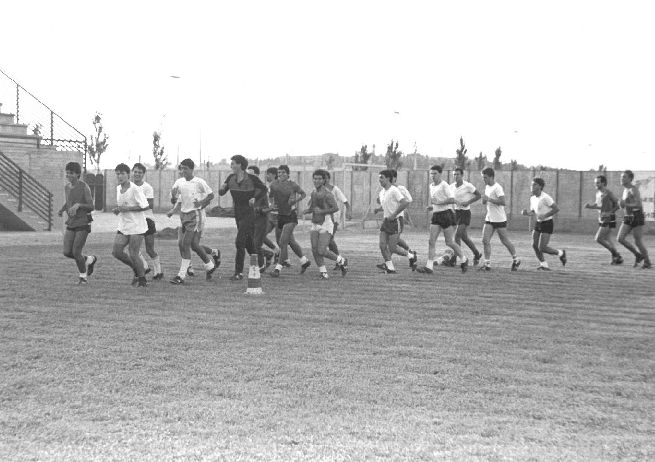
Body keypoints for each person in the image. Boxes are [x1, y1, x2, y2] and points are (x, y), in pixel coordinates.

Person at [166, 158, 217, 284]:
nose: (183, 171)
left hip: (195, 215)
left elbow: (211, 195)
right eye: (181, 168)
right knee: (193, 244)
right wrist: (173, 207)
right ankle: (210, 265)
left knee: (185, 244)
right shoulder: (179, 182)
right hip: (183, 215)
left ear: (192, 169)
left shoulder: (199, 182)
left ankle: (181, 276)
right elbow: (177, 200)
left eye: (185, 168)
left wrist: (201, 202)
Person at [219, 155, 269, 280]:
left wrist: (255, 198)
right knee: (248, 243)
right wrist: (222, 188)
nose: (231, 166)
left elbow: (264, 189)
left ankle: (238, 272)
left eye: (233, 163)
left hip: (248, 213)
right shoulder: (231, 177)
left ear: (240, 165)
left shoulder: (251, 178)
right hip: (238, 213)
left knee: (239, 241)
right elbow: (221, 192)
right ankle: (261, 262)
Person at [415, 165, 468, 274]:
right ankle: (429, 267)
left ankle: (464, 259)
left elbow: (452, 199)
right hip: (436, 215)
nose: (432, 175)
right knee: (431, 241)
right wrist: (432, 207)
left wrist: (439, 203)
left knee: (449, 242)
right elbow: (436, 201)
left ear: (440, 174)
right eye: (431, 173)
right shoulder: (431, 186)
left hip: (446, 215)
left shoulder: (444, 185)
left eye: (435, 173)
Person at [302, 169, 348, 279]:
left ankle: (341, 261)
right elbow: (313, 207)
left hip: (326, 224)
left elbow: (335, 208)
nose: (316, 181)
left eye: (319, 179)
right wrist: (306, 211)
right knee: (314, 249)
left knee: (321, 250)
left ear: (323, 180)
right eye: (315, 178)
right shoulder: (313, 192)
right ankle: (323, 272)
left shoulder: (328, 194)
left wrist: (322, 212)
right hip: (315, 224)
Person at [57, 161, 97, 284]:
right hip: (71, 222)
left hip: (83, 222)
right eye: (67, 173)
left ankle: (83, 277)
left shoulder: (84, 187)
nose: (68, 175)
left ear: (78, 174)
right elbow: (70, 201)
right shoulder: (67, 187)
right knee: (67, 252)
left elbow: (91, 206)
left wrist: (79, 205)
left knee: (76, 251)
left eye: (71, 173)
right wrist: (63, 209)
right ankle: (89, 259)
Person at [268, 164, 311, 277]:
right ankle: (304, 261)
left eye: (283, 172)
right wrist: (272, 204)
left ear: (288, 174)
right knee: (290, 242)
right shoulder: (273, 184)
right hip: (280, 216)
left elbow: (303, 194)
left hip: (290, 216)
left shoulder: (293, 185)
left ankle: (278, 269)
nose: (281, 174)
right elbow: (271, 196)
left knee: (283, 242)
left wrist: (295, 201)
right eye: (279, 173)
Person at [111, 163, 149, 287]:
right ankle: (137, 269)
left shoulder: (135, 189)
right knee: (116, 252)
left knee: (133, 253)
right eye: (117, 174)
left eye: (122, 173)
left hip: (137, 226)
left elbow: (144, 206)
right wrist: (118, 209)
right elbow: (123, 206)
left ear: (128, 175)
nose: (119, 176)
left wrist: (128, 208)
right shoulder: (118, 188)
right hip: (124, 225)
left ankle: (142, 280)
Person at [374, 169, 416, 273]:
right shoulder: (382, 192)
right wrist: (379, 209)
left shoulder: (394, 190)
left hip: (395, 221)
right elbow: (386, 206)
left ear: (388, 178)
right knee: (382, 245)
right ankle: (390, 267)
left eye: (381, 178)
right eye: (379, 178)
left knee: (392, 247)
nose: (380, 180)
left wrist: (394, 214)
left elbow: (405, 202)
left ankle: (410, 255)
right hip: (386, 221)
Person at [479, 167, 521, 271]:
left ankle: (516, 259)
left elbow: (503, 202)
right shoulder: (487, 187)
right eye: (483, 177)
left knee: (504, 240)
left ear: (491, 177)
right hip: (489, 218)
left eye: (485, 177)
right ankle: (487, 264)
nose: (484, 179)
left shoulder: (497, 187)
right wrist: (484, 200)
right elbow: (486, 201)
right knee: (485, 240)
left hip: (499, 219)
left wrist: (489, 199)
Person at [520, 178, 567, 270]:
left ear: (540, 186)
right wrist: (527, 213)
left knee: (542, 248)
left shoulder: (546, 197)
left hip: (547, 223)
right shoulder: (532, 198)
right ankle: (544, 265)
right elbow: (533, 211)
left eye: (534, 185)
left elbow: (556, 209)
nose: (532, 186)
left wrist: (545, 215)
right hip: (538, 223)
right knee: (534, 245)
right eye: (531, 185)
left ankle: (561, 253)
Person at [132, 163, 163, 280]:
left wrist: (134, 206)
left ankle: (158, 272)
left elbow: (150, 205)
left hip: (147, 220)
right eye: (135, 172)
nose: (137, 174)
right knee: (132, 247)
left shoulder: (147, 187)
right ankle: (144, 266)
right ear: (132, 172)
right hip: (134, 221)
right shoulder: (128, 186)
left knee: (149, 249)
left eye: (140, 172)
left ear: (143, 174)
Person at [584, 175, 623, 264]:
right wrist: (590, 206)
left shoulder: (608, 193)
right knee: (608, 239)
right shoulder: (598, 193)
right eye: (595, 182)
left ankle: (617, 254)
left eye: (598, 182)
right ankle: (616, 259)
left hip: (609, 218)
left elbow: (618, 205)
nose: (596, 184)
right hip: (602, 218)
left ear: (603, 183)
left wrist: (610, 212)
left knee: (598, 238)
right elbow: (598, 205)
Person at [617, 170, 651, 269]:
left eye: (624, 177)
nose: (622, 178)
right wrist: (621, 206)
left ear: (630, 179)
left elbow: (639, 204)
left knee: (638, 241)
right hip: (628, 216)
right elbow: (625, 205)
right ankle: (638, 255)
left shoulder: (633, 189)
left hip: (637, 216)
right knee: (620, 238)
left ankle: (647, 262)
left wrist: (625, 204)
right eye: (621, 176)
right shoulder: (625, 190)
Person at [246, 165, 276, 271]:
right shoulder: (248, 187)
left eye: (251, 174)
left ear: (257, 175)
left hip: (261, 219)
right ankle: (268, 254)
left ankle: (261, 265)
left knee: (256, 243)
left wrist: (258, 210)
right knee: (248, 243)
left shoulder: (262, 189)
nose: (248, 176)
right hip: (250, 219)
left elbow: (269, 207)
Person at [451, 167, 483, 265]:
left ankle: (457, 258)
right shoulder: (451, 186)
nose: (456, 176)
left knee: (457, 235)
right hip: (456, 212)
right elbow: (448, 198)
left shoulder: (467, 186)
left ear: (462, 175)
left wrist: (468, 202)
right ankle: (477, 254)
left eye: (458, 174)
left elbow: (478, 195)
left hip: (465, 213)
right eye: (454, 174)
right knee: (464, 237)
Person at [324, 171, 352, 270]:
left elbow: (345, 201)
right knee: (329, 240)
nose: (323, 180)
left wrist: (348, 211)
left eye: (325, 178)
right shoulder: (318, 190)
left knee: (329, 239)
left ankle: (340, 261)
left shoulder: (334, 189)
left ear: (328, 178)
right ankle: (340, 260)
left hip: (334, 217)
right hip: (323, 218)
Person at [391, 170, 418, 268]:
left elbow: (409, 199)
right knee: (394, 240)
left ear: (394, 178)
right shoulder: (386, 189)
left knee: (392, 243)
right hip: (389, 219)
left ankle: (388, 263)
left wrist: (401, 205)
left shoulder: (400, 188)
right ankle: (410, 252)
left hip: (398, 218)